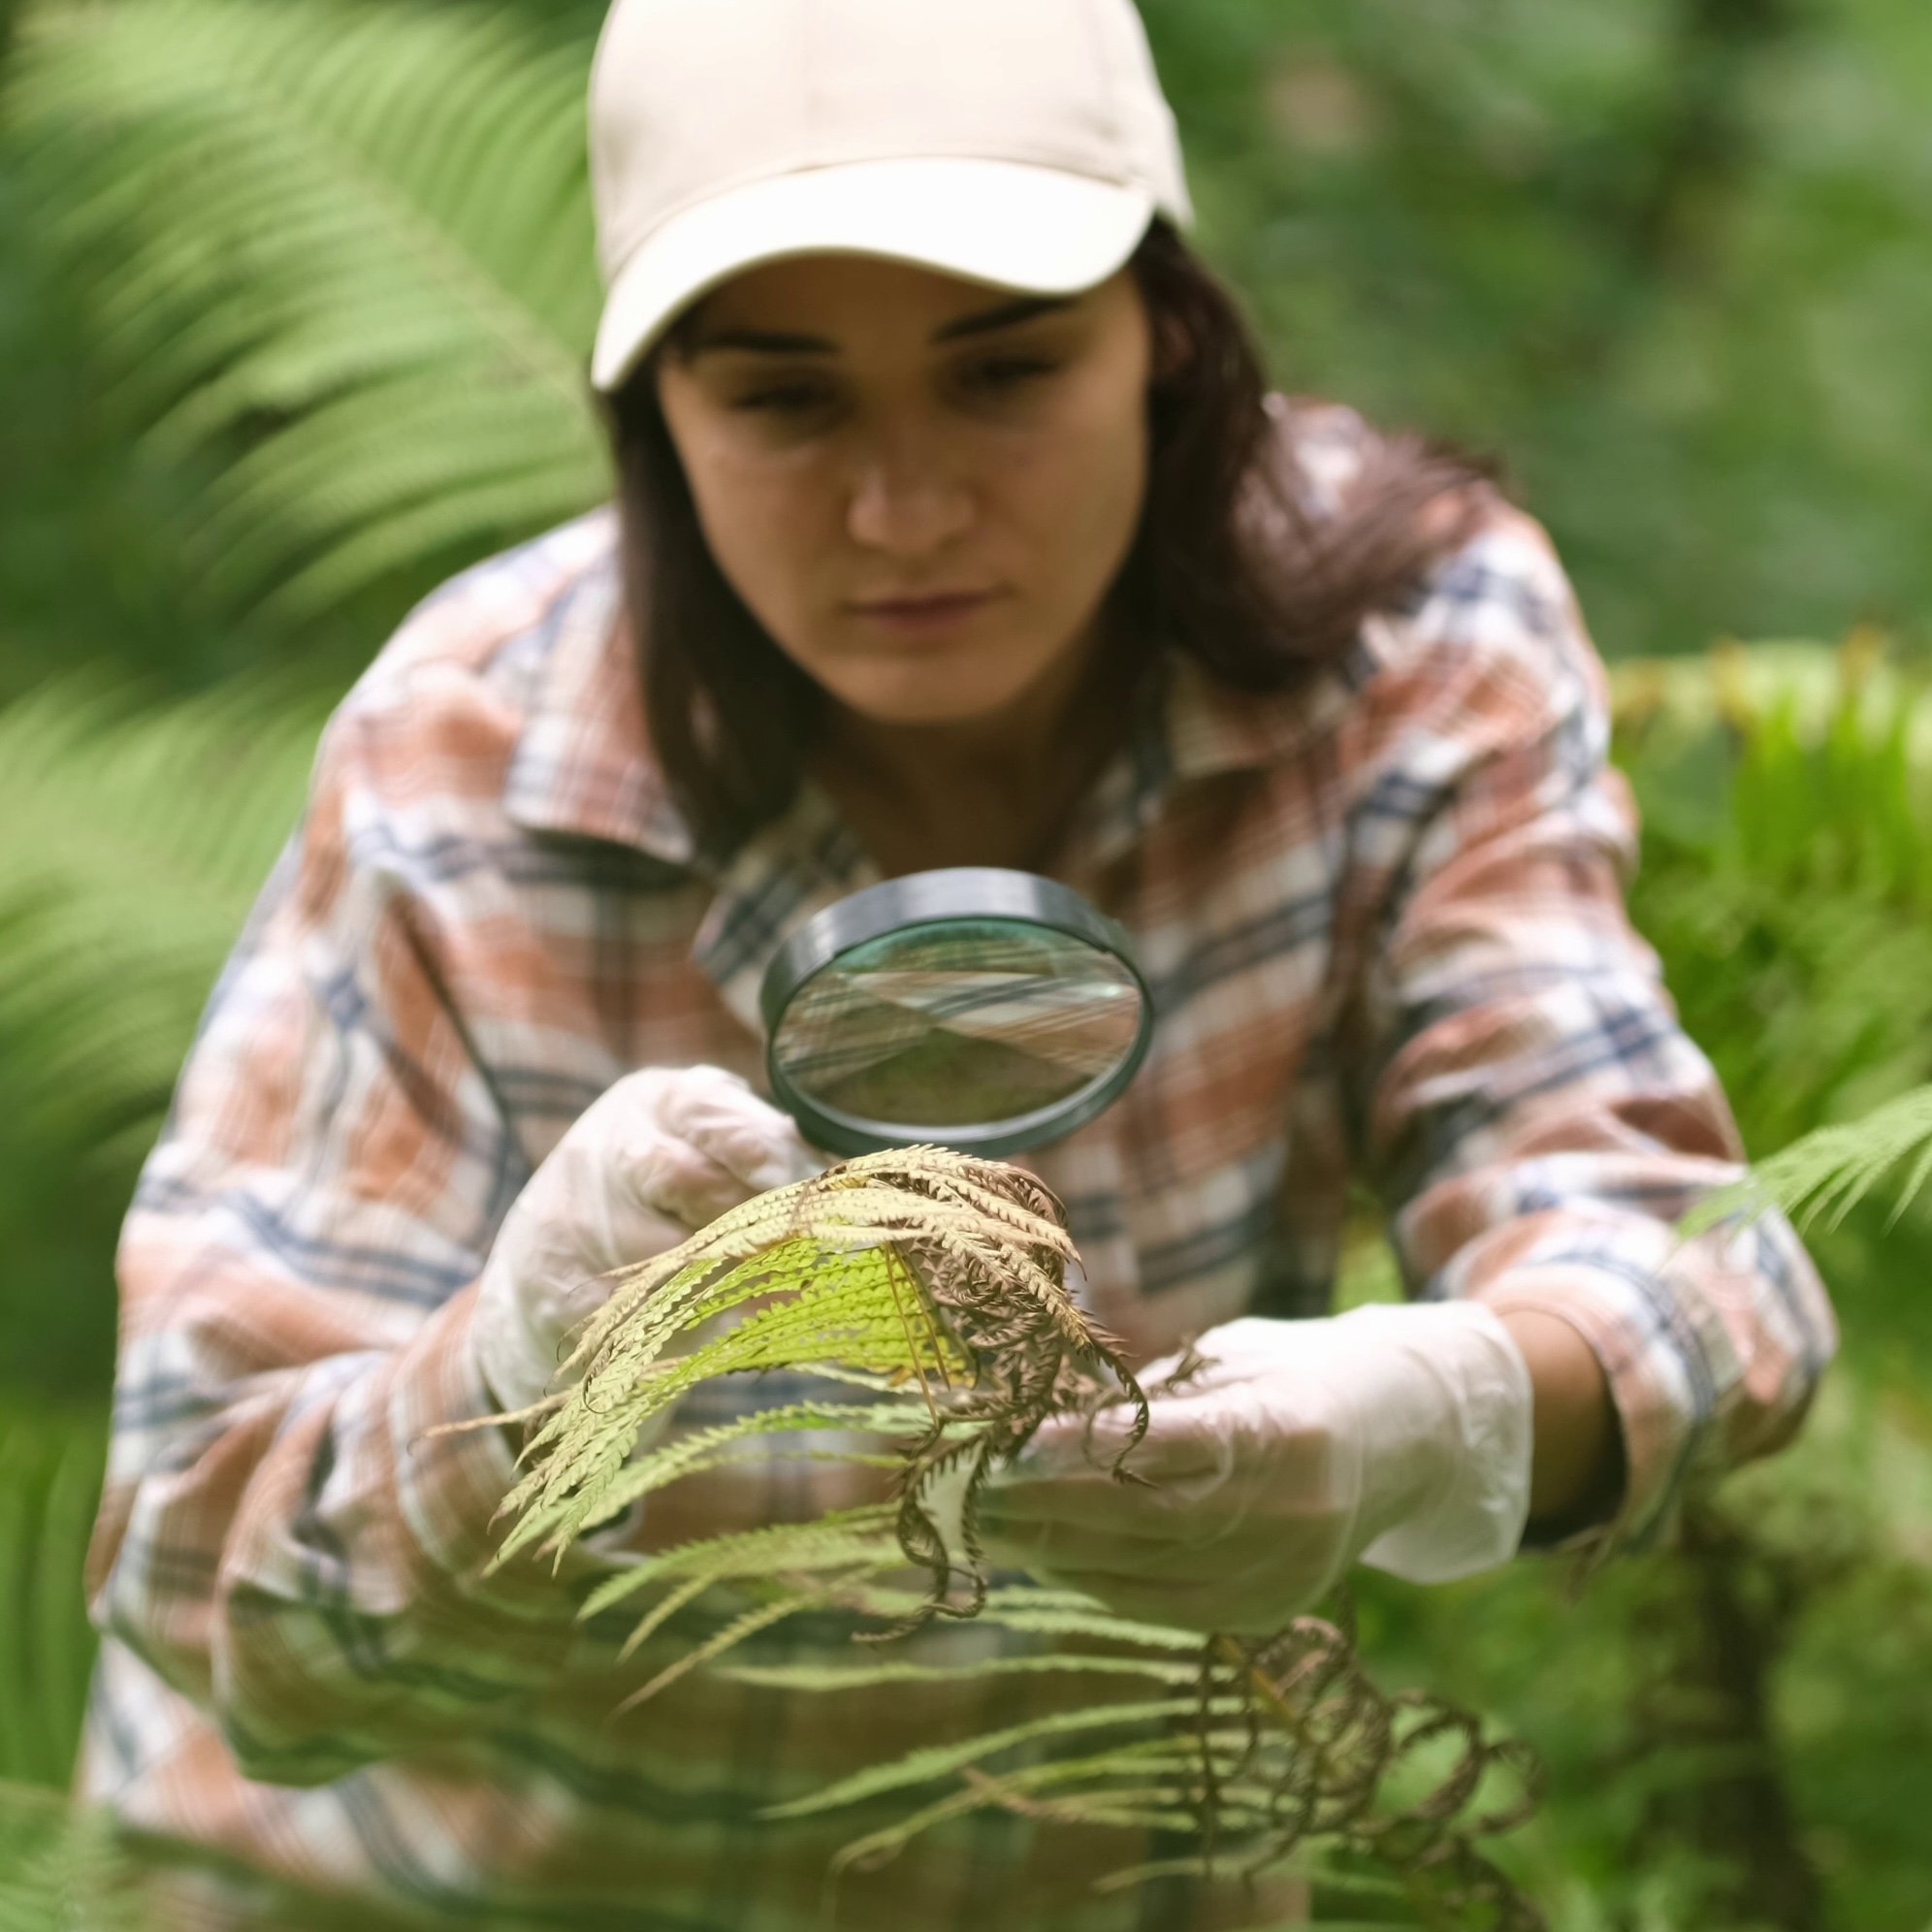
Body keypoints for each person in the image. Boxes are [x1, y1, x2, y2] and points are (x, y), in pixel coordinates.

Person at [79, 0, 1838, 1926]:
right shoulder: (472, 764)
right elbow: (202, 1581)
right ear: (652, 411)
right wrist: (518, 1373)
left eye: (1004, 375)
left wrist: (1439, 1412)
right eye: (786, 400)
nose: (904, 512)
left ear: (1166, 336)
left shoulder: (1408, 651)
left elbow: (1691, 1254)